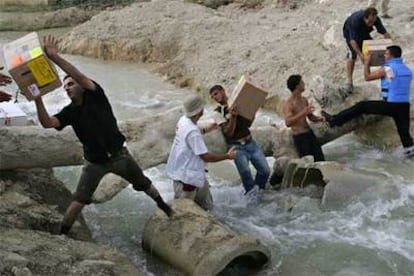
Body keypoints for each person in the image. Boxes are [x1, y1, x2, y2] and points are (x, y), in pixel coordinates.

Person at [34, 35, 173, 235]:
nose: (67, 88)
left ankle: (164, 206)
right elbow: (48, 123)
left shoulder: (96, 95)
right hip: (94, 163)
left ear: (82, 85)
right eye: (65, 87)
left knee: (144, 184)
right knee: (78, 202)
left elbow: (78, 74)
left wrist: (55, 58)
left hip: (120, 156)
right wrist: (37, 100)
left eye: (71, 84)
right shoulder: (70, 111)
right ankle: (62, 234)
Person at [322, 45, 414, 158]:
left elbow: (367, 77)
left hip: (391, 105)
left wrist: (366, 62)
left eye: (385, 54)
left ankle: (334, 120)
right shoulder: (407, 70)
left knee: (362, 106)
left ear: (391, 55)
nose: (384, 56)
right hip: (404, 105)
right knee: (404, 133)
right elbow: (394, 79)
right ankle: (410, 153)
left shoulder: (388, 68)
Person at [167, 95, 237, 210]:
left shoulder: (183, 120)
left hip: (186, 173)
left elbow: (192, 132)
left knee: (208, 206)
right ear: (200, 111)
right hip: (188, 181)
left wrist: (207, 128)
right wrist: (228, 156)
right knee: (184, 211)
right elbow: (206, 157)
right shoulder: (193, 132)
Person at [209, 85, 270, 195]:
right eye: (213, 97)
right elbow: (229, 133)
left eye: (216, 93)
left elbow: (248, 124)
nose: (215, 97)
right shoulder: (217, 113)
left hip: (250, 142)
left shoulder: (238, 103)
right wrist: (233, 117)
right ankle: (253, 198)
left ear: (223, 91)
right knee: (246, 175)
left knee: (265, 171)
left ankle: (258, 192)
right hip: (236, 147)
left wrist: (252, 110)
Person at [343, 7, 391, 93]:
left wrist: (392, 48)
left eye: (373, 22)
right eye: (369, 22)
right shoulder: (355, 21)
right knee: (352, 54)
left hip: (364, 32)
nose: (371, 23)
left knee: (374, 49)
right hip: (349, 33)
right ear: (365, 18)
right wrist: (361, 55)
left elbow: (385, 33)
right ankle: (349, 82)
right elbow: (353, 41)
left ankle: (371, 75)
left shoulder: (375, 19)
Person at [284, 75, 325, 161]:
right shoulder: (289, 104)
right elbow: (288, 123)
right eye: (302, 82)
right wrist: (303, 112)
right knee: (308, 164)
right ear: (297, 86)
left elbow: (310, 117)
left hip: (309, 133)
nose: (304, 84)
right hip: (300, 137)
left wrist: (319, 119)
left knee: (320, 159)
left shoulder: (304, 100)